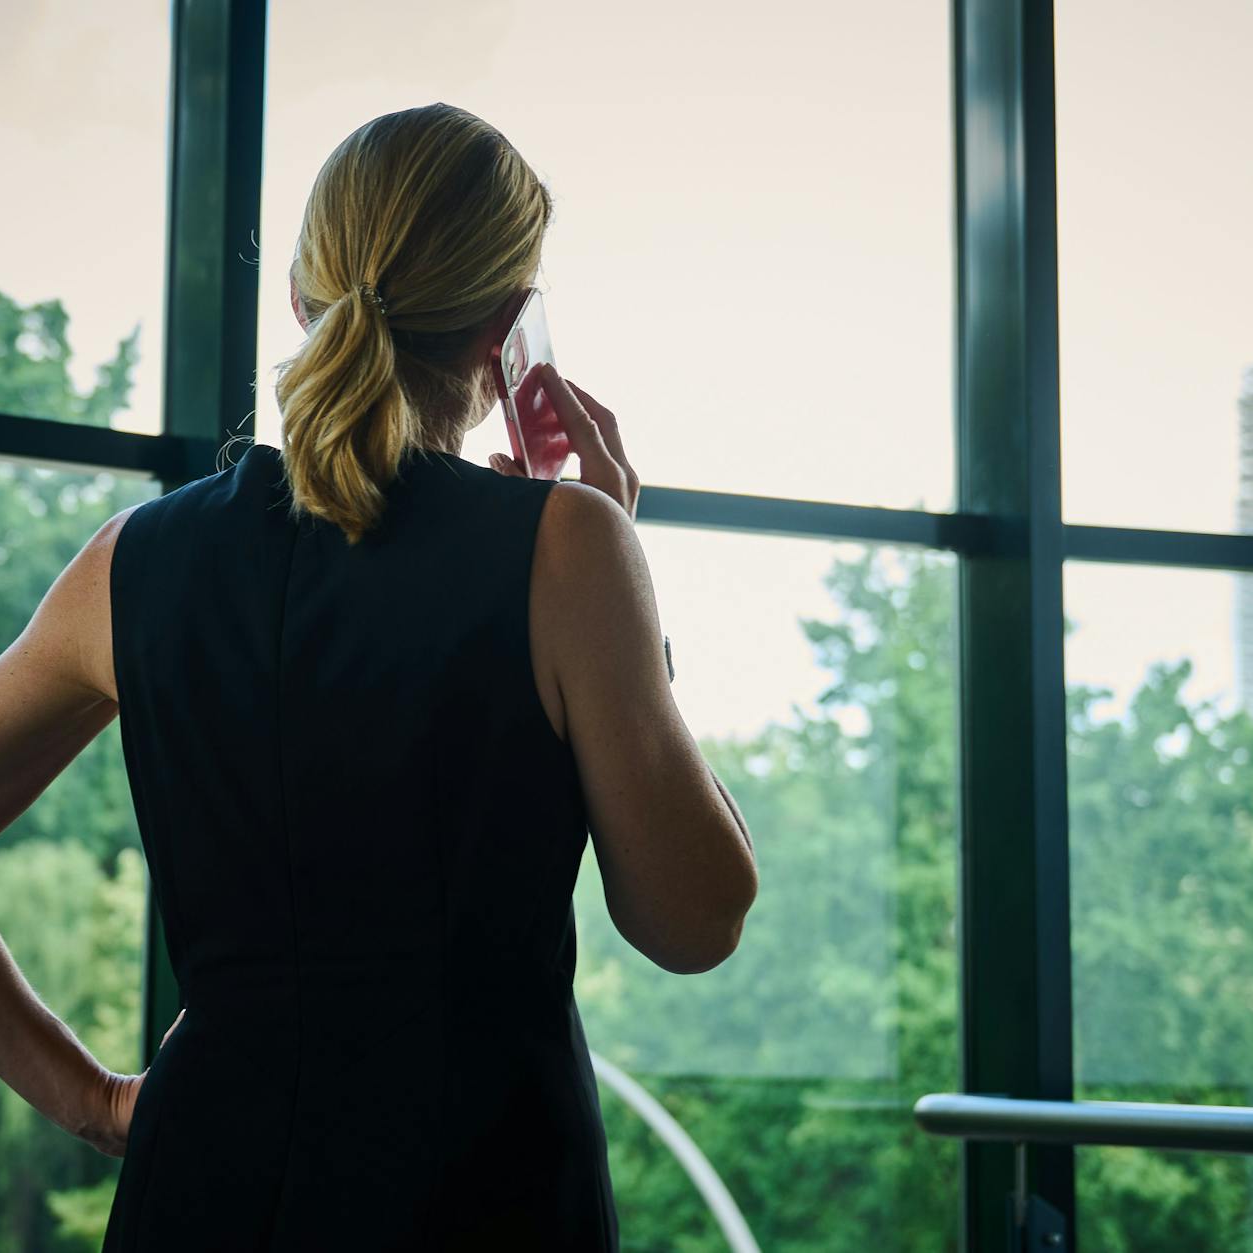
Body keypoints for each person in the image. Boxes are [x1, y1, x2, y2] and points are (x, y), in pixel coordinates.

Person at [88, 104, 759, 1246]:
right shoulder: (565, 545)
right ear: (507, 330)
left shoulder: (132, 556)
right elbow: (692, 920)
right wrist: (621, 581)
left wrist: (102, 1103)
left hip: (199, 1196)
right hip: (481, 1197)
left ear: (300, 300)